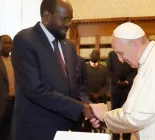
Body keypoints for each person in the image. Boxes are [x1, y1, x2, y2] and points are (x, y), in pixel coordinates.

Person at [11, 0, 99, 140]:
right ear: (46, 16)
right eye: (64, 19)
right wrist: (81, 108)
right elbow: (34, 90)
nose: (69, 24)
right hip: (36, 131)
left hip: (67, 129)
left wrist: (89, 108)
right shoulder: (25, 40)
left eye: (70, 19)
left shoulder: (68, 45)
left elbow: (74, 87)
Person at [107, 51, 137, 140]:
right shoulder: (111, 54)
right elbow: (108, 71)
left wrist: (127, 81)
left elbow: (134, 70)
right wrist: (117, 81)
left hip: (128, 88)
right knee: (115, 113)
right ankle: (115, 137)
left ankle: (126, 137)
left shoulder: (130, 52)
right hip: (115, 88)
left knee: (127, 113)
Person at [84, 49, 110, 132]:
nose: (96, 55)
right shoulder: (84, 67)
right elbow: (82, 83)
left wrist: (99, 94)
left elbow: (107, 83)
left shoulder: (104, 68)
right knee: (88, 122)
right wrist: (90, 94)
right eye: (94, 53)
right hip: (88, 99)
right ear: (90, 55)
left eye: (98, 54)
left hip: (100, 98)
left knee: (100, 122)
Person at [0, 35, 15, 140]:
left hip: (14, 103)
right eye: (5, 42)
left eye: (10, 43)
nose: (9, 45)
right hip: (1, 103)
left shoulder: (15, 60)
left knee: (9, 132)